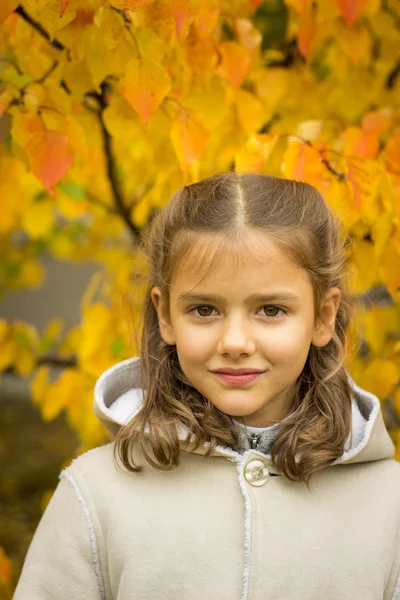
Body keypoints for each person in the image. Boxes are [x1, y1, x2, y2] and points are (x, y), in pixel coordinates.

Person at [14, 173, 400, 600]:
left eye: (271, 310)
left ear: (324, 316)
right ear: (165, 316)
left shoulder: (389, 504)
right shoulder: (94, 495)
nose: (235, 343)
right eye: (204, 309)